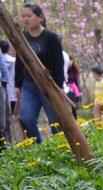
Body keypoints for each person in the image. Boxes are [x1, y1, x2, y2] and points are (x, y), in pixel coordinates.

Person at [14, 4, 65, 144]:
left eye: (29, 16)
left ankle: (60, 148)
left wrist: (59, 86)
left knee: (55, 121)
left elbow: (58, 63)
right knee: (27, 118)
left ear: (40, 18)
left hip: (49, 85)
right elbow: (19, 62)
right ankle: (39, 147)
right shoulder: (22, 38)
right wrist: (17, 85)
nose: (25, 19)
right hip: (29, 85)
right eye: (23, 16)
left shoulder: (51, 38)